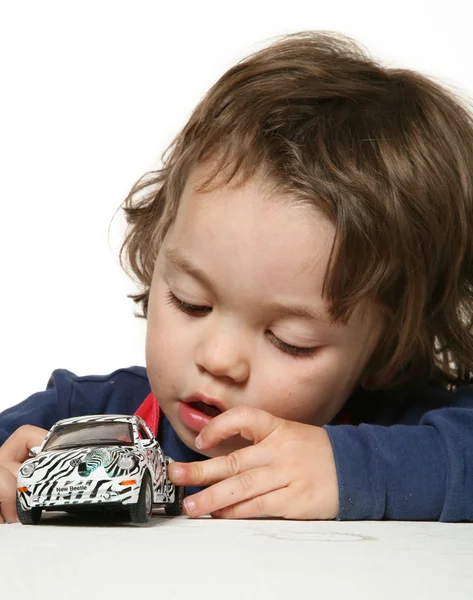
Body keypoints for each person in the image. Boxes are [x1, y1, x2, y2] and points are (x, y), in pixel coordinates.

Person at [1, 30, 473, 524]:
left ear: (387, 346)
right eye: (190, 302)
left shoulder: (405, 428)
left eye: (290, 340)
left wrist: (352, 469)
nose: (220, 360)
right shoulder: (76, 417)